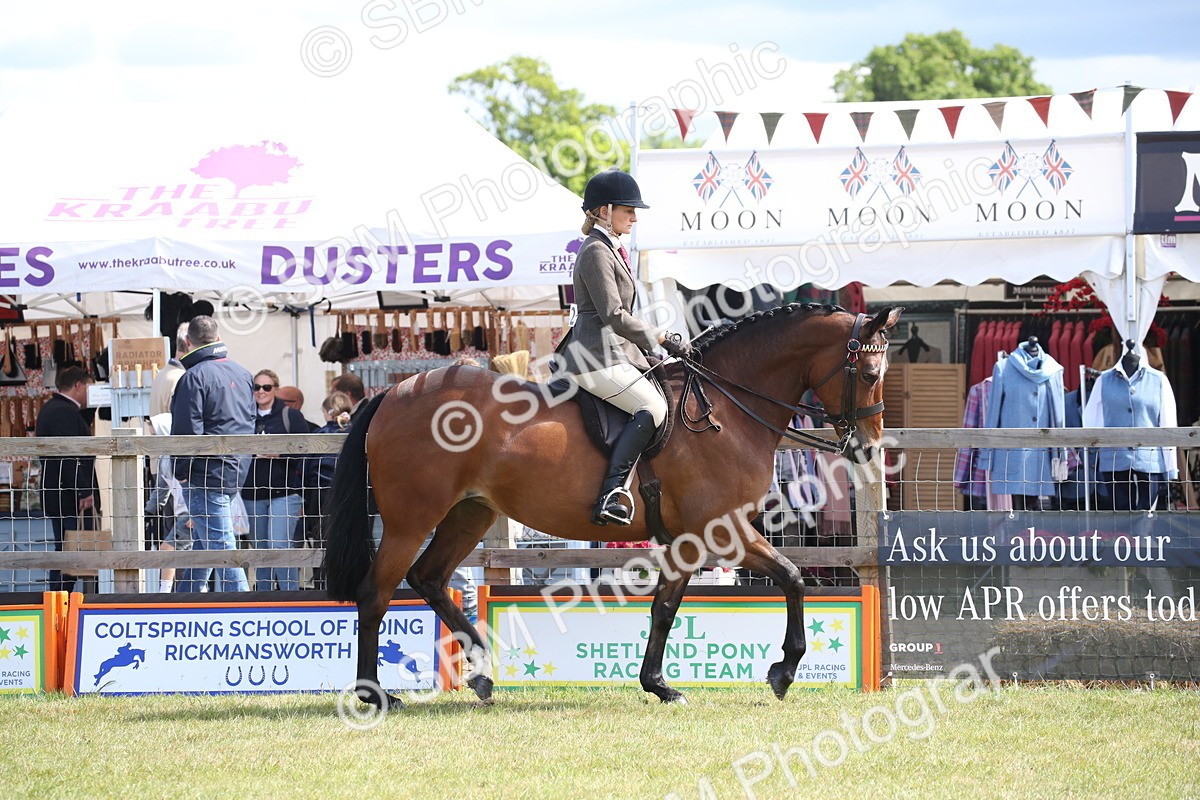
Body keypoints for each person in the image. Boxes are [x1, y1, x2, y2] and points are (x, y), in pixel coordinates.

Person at [556, 168, 690, 526]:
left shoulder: (610, 248)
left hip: (613, 352)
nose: (634, 217)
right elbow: (615, 315)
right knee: (653, 407)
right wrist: (660, 337)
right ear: (604, 211)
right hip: (594, 357)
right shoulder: (595, 251)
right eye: (628, 210)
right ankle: (611, 493)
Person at [171, 315, 255, 593]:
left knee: (221, 548)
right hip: (235, 469)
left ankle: (246, 610)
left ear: (187, 342)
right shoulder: (243, 373)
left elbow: (186, 431)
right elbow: (249, 422)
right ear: (218, 338)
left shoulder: (193, 377)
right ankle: (185, 602)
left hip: (204, 473)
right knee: (207, 543)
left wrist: (180, 472)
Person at [242, 369, 308, 591]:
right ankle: (264, 598)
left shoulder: (290, 416)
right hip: (251, 493)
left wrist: (278, 453)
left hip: (284, 492)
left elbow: (306, 449)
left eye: (266, 387)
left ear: (275, 390)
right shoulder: (244, 416)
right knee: (260, 551)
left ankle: (290, 598)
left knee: (280, 547)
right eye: (256, 387)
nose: (261, 391)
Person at [36, 365, 99, 592]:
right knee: (70, 550)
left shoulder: (57, 408)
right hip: (68, 496)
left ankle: (60, 596)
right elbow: (68, 455)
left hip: (62, 493)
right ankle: (59, 597)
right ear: (78, 386)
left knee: (67, 548)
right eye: (90, 388)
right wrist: (83, 490)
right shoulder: (62, 412)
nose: (91, 393)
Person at [146, 323, 190, 592]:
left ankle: (179, 592)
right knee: (180, 546)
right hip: (177, 464)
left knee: (177, 543)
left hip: (169, 466)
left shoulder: (163, 375)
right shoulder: (181, 379)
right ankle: (184, 593)